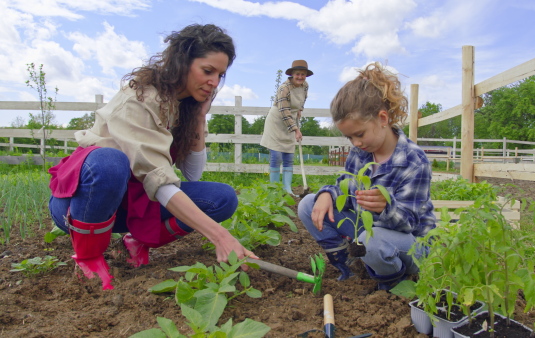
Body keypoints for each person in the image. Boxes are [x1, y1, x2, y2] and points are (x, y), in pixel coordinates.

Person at [47, 23, 256, 290]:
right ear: (182, 63)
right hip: (82, 204)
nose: (214, 82)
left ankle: (136, 241)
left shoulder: (185, 106)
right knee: (110, 162)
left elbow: (193, 173)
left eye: (220, 75)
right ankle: (88, 256)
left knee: (222, 198)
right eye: (208, 71)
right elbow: (159, 180)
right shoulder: (140, 97)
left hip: (132, 205)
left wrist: (200, 118)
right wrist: (219, 236)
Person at [298, 62, 436, 291]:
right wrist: (327, 195)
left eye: (359, 134)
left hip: (409, 244)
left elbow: (410, 223)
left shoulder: (413, 160)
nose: (356, 143)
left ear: (382, 118)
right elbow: (345, 188)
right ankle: (351, 266)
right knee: (307, 205)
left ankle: (393, 284)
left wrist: (385, 207)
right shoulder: (360, 153)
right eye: (349, 138)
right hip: (369, 233)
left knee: (373, 242)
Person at [260, 60, 312, 196]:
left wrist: (300, 109)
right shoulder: (284, 88)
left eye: (303, 74)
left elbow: (303, 99)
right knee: (276, 156)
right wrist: (295, 129)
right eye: (298, 74)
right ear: (292, 74)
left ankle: (287, 189)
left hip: (292, 120)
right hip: (277, 122)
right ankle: (274, 190)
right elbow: (284, 110)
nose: (300, 77)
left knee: (289, 156)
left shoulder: (305, 86)